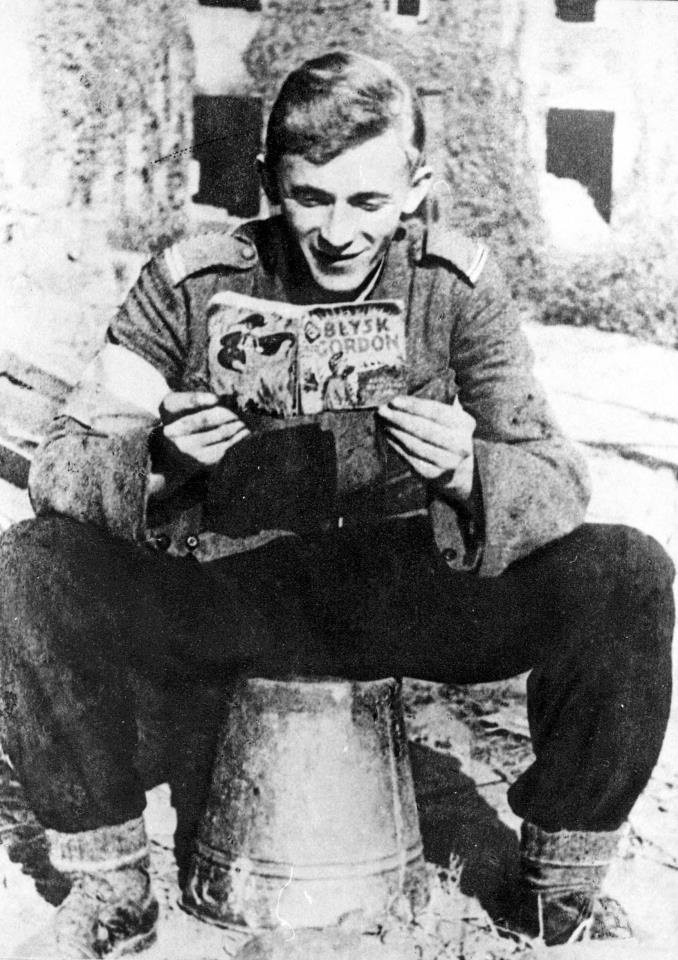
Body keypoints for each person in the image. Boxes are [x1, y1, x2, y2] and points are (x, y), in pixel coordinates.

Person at [0, 51, 673, 957]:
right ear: (269, 184)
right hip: (228, 587)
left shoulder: (456, 289)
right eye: (310, 198)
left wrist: (471, 474)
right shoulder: (192, 282)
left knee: (627, 570)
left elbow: (556, 471)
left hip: (406, 589)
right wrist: (158, 466)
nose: (339, 234)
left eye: (367, 202)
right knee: (29, 563)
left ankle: (558, 884)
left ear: (415, 189)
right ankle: (111, 882)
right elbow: (62, 462)